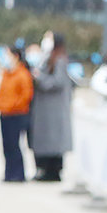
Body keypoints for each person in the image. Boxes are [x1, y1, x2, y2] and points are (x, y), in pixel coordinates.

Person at [31, 40, 76, 182]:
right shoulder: (46, 60)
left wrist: (39, 77)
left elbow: (56, 82)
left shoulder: (59, 61)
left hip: (54, 110)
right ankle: (44, 169)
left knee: (54, 143)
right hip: (45, 110)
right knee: (45, 143)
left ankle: (53, 171)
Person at [0, 43, 34, 182]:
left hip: (17, 114)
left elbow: (26, 95)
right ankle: (9, 173)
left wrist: (12, 106)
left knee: (15, 145)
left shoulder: (22, 74)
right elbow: (2, 92)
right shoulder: (6, 73)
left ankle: (18, 173)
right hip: (4, 113)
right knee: (7, 145)